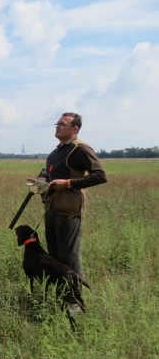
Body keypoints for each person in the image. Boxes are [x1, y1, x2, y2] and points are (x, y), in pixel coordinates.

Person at [43, 112, 107, 284]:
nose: (58, 126)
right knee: (54, 255)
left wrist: (68, 183)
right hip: (51, 208)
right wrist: (41, 180)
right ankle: (61, 294)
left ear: (75, 129)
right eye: (57, 123)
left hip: (69, 210)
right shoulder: (55, 152)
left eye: (63, 124)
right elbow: (46, 172)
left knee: (69, 256)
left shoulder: (81, 149)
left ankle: (75, 302)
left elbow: (100, 175)